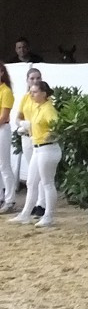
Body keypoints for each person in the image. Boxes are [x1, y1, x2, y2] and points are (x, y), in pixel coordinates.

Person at [10, 80, 60, 227]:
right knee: (32, 182)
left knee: (47, 183)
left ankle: (49, 215)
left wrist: (48, 135)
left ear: (44, 94)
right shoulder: (38, 107)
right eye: (31, 92)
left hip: (48, 149)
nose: (31, 94)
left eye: (35, 92)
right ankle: (25, 213)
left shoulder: (48, 109)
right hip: (38, 147)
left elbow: (56, 127)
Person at [0, 63, 17, 213]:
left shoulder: (5, 92)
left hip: (2, 129)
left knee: (4, 165)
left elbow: (3, 116)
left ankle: (10, 199)